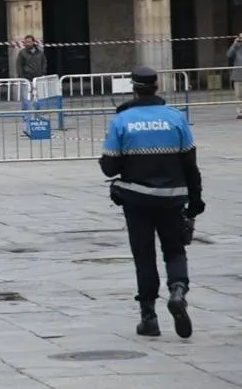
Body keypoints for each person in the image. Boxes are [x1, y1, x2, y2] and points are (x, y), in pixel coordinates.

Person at [99, 66, 205, 339]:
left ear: (133, 88)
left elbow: (109, 168)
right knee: (175, 250)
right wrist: (196, 201)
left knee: (144, 256)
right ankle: (178, 289)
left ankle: (149, 317)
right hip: (172, 198)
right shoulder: (175, 118)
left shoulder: (122, 120)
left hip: (137, 199)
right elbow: (190, 165)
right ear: (157, 86)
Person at [226, 33, 242, 118]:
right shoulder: (236, 47)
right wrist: (234, 44)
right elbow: (228, 54)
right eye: (240, 37)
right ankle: (240, 112)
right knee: (238, 95)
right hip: (238, 75)